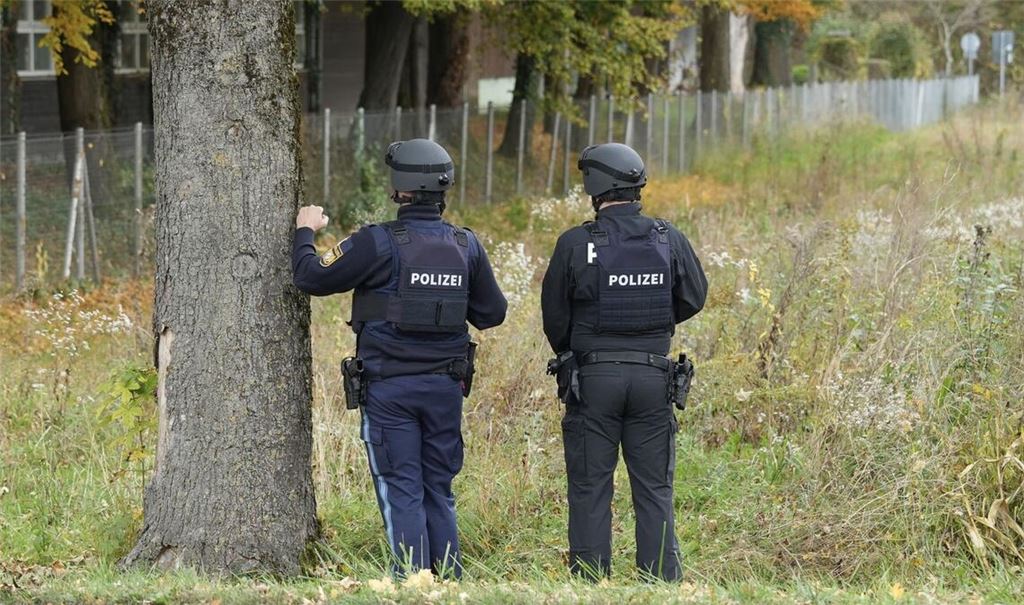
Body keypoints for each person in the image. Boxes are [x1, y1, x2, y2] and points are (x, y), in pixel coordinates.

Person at [292, 138, 507, 578]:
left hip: (390, 391)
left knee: (402, 489)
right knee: (438, 489)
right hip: (445, 390)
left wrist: (305, 231)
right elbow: (492, 313)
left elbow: (310, 276)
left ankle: (411, 584)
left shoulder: (376, 242)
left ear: (398, 188)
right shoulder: (466, 244)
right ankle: (448, 585)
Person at [541, 143, 707, 582]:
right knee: (655, 489)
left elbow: (554, 317)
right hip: (653, 376)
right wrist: (653, 327)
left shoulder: (576, 243)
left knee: (589, 487)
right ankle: (660, 581)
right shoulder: (668, 238)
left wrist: (585, 345)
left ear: (594, 187)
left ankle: (590, 580)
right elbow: (694, 297)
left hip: (593, 380)